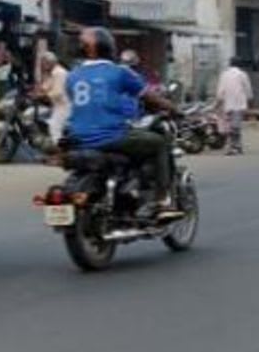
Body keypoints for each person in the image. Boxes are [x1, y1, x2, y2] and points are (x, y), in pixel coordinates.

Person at [65, 27, 181, 216]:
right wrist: (174, 108)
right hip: (111, 136)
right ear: (109, 47)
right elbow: (151, 98)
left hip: (78, 138)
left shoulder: (72, 76)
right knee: (160, 143)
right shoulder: (119, 73)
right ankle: (162, 200)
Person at [215, 57, 252, 155]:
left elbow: (220, 91)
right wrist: (249, 99)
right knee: (235, 126)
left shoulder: (224, 74)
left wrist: (218, 102)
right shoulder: (242, 74)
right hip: (239, 104)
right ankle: (236, 146)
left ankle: (235, 147)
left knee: (230, 126)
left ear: (230, 64)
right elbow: (247, 89)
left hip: (227, 104)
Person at [39, 49, 70, 147]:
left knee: (54, 127)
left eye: (44, 63)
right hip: (56, 105)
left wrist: (43, 95)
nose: (42, 66)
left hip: (64, 106)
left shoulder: (59, 73)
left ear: (50, 63)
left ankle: (59, 150)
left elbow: (58, 92)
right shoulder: (52, 73)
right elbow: (45, 86)